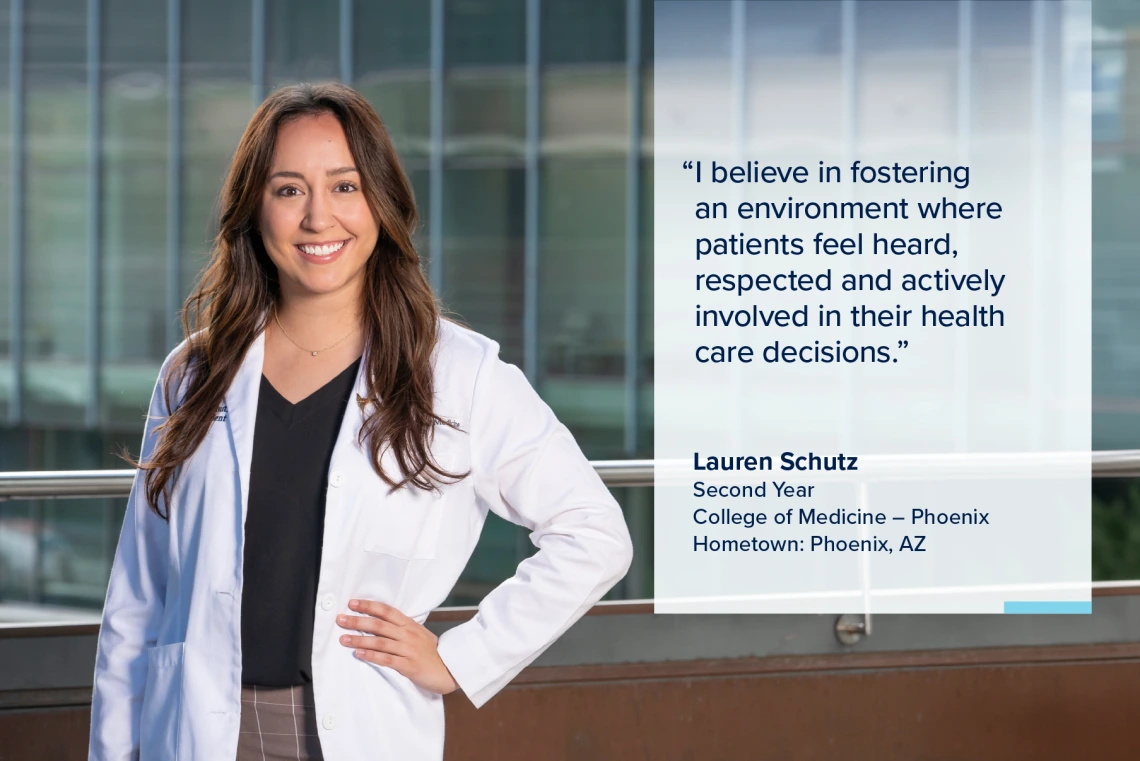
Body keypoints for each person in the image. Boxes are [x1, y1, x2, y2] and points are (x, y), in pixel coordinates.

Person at [87, 82, 634, 761]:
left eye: (345, 186)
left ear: (381, 201)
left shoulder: (461, 376)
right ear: (255, 208)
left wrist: (461, 657)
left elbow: (596, 534)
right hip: (195, 729)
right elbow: (138, 602)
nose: (319, 217)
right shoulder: (193, 373)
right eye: (289, 190)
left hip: (352, 727)